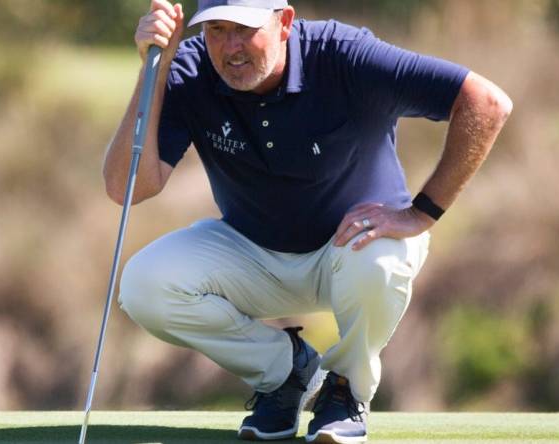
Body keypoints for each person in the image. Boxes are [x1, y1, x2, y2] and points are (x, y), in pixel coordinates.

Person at [103, 0, 512, 442]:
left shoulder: (344, 56)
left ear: (284, 22)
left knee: (376, 262)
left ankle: (346, 388)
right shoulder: (191, 70)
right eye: (216, 30)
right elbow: (127, 187)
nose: (230, 47)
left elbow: (486, 102)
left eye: (244, 29)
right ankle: (284, 374)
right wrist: (154, 72)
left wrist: (421, 212)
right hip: (254, 250)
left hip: (355, 247)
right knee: (144, 285)